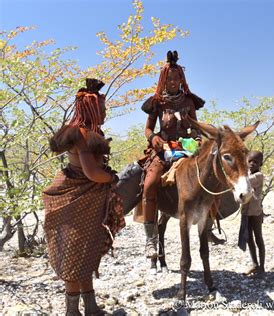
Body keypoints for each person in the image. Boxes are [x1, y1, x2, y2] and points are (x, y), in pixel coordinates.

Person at [43, 78, 125, 315]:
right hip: (76, 201)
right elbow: (92, 173)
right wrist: (111, 179)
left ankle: (90, 307)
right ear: (91, 108)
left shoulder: (90, 132)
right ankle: (72, 311)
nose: (105, 111)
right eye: (102, 107)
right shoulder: (80, 134)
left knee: (85, 251)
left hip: (87, 200)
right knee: (74, 253)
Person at [135, 50, 205, 260]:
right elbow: (148, 129)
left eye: (176, 78)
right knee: (149, 184)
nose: (173, 82)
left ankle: (209, 223)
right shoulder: (157, 102)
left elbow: (197, 128)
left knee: (206, 177)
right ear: (163, 80)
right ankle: (150, 239)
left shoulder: (189, 102)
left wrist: (198, 139)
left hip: (185, 149)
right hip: (163, 150)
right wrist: (153, 138)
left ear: (181, 79)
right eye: (169, 78)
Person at [238, 151, 266, 276]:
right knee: (249, 238)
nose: (252, 164)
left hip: (255, 213)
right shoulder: (247, 174)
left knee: (258, 239)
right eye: (250, 161)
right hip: (246, 212)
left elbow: (245, 182)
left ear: (261, 163)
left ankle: (262, 267)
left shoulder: (258, 176)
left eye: (255, 162)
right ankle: (255, 264)